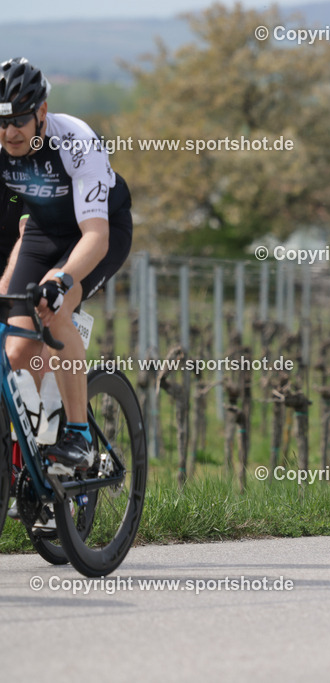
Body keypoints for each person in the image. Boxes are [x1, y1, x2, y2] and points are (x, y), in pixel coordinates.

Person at [0, 57, 133, 476]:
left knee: (55, 310)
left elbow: (95, 236)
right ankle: (37, 452)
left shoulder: (75, 140)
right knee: (17, 348)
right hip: (43, 229)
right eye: (1, 122)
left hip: (98, 230)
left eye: (19, 120)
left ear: (41, 112)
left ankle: (80, 438)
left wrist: (62, 279)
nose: (9, 132)